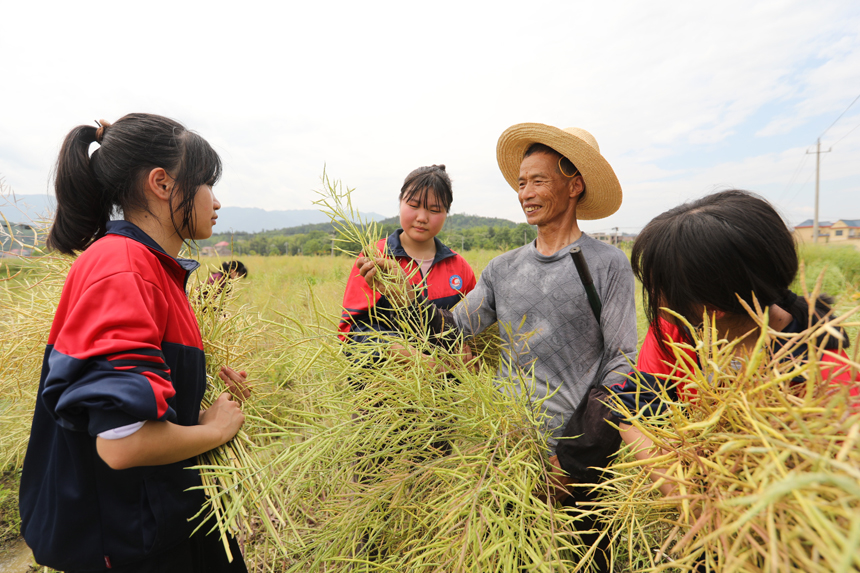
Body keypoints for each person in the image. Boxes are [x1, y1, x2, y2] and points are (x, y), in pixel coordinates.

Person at [358, 124, 638, 572]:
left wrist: (572, 458)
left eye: (538, 180)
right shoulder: (502, 270)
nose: (525, 192)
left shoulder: (607, 265)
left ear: (574, 185)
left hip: (578, 460)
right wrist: (405, 296)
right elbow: (452, 332)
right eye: (521, 182)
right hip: (506, 452)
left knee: (584, 559)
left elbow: (622, 364)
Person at [19, 114, 250, 572]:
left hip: (157, 522)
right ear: (162, 183)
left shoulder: (150, 267)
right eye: (207, 182)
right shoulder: (124, 270)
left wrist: (196, 414)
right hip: (132, 541)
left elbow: (135, 413)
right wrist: (215, 432)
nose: (216, 200)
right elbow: (122, 442)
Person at [610, 189, 859, 497]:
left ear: (713, 306)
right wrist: (680, 488)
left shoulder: (824, 372)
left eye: (659, 286)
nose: (653, 297)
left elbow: (834, 482)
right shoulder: (674, 333)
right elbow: (635, 413)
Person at [338, 164, 476, 365]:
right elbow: (350, 332)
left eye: (435, 209)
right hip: (383, 388)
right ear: (400, 202)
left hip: (446, 390)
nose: (422, 218)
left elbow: (473, 330)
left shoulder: (459, 267)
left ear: (446, 212)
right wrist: (398, 352)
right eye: (413, 205)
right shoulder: (375, 257)